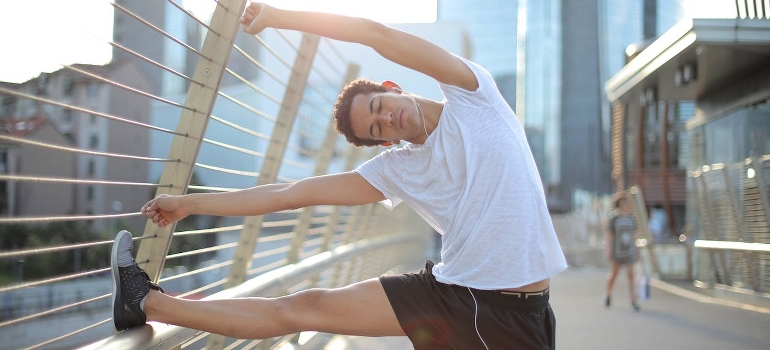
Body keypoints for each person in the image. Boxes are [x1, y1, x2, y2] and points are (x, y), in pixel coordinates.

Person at [111, 2, 567, 349]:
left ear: (392, 88)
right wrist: (190, 203)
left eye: (378, 108)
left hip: (512, 314)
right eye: (376, 130)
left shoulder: (474, 94)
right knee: (301, 308)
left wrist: (278, 16)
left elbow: (375, 33)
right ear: (384, 144)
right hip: (456, 290)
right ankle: (147, 303)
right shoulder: (399, 169)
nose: (386, 120)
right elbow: (292, 194)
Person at [604, 192, 640, 312]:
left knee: (631, 274)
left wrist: (637, 250)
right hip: (617, 250)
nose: (624, 205)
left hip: (629, 249)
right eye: (621, 203)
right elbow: (610, 235)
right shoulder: (614, 218)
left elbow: (635, 236)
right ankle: (608, 294)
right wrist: (608, 250)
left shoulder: (631, 218)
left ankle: (633, 300)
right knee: (614, 273)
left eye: (625, 203)